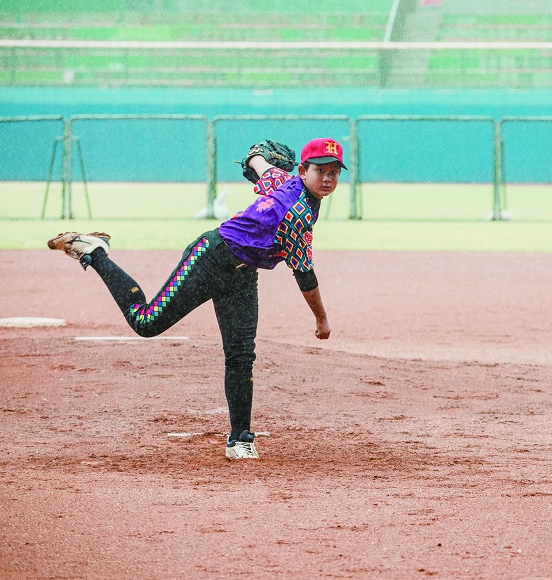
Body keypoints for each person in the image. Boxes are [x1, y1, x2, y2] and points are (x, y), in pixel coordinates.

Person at [46, 137, 348, 461]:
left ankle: (240, 439)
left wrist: (254, 158)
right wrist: (321, 320)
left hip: (242, 275)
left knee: (241, 355)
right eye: (320, 170)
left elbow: (261, 164)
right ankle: (95, 252)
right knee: (145, 322)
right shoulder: (297, 214)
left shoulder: (284, 181)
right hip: (209, 258)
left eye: (334, 172)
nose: (327, 178)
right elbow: (304, 275)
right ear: (302, 171)